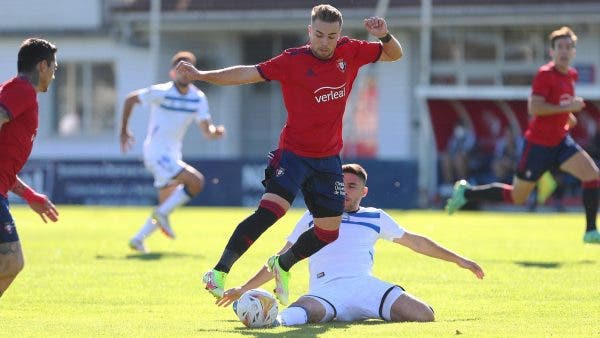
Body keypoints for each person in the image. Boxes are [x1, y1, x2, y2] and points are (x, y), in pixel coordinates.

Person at [176, 4, 403, 304]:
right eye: (319, 35)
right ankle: (219, 272)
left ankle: (282, 264)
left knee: (328, 232)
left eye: (331, 36)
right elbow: (246, 74)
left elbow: (395, 54)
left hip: (328, 160)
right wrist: (201, 75)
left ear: (339, 35)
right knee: (271, 211)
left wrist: (384, 35)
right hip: (293, 154)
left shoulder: (351, 51)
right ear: (310, 31)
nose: (325, 42)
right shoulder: (292, 60)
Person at [216, 164, 484, 326]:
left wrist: (460, 260)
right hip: (326, 291)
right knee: (296, 315)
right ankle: (263, 317)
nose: (344, 190)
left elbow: (416, 242)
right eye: (340, 185)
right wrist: (244, 288)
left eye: (352, 186)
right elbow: (281, 258)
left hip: (365, 287)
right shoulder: (313, 215)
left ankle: (366, 312)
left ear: (363, 192)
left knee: (424, 315)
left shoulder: (376, 216)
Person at [445, 26, 600, 244]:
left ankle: (591, 231)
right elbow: (534, 108)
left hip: (561, 142)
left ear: (574, 51)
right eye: (560, 47)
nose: (564, 51)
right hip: (538, 145)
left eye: (569, 47)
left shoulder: (571, 76)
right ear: (552, 52)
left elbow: (559, 109)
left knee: (592, 174)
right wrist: (567, 109)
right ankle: (466, 193)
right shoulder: (545, 75)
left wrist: (568, 117)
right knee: (518, 196)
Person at [120, 51, 225, 253]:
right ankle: (161, 215)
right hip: (156, 152)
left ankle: (138, 239)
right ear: (172, 73)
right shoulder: (162, 92)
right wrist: (124, 129)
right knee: (196, 182)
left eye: (188, 70)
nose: (184, 74)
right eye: (180, 70)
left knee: (166, 204)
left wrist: (215, 133)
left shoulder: (198, 98)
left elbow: (206, 130)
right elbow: (130, 99)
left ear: (194, 72)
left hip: (173, 154)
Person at [0, 38, 60, 297]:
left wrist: (29, 195)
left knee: (10, 263)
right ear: (43, 66)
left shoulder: (21, 94)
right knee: (12, 261)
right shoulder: (21, 90)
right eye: (54, 68)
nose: (54, 74)